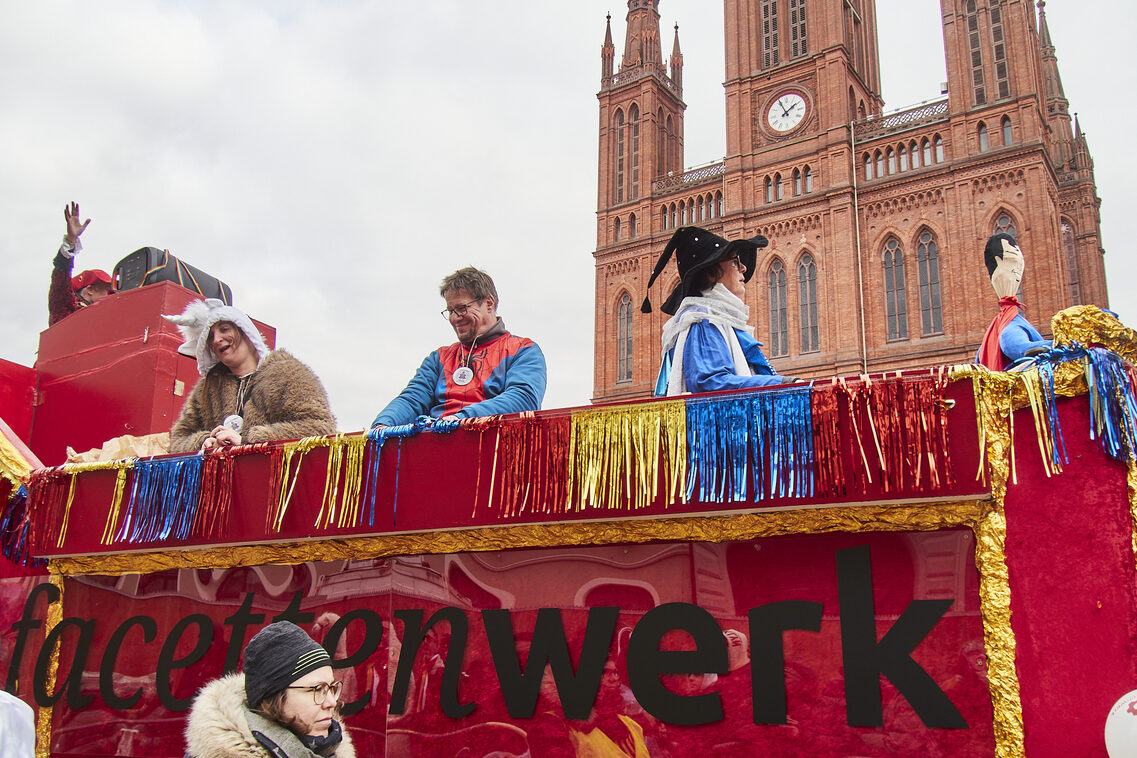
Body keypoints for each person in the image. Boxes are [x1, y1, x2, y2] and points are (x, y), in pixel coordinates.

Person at [371, 267, 546, 428]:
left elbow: (523, 398)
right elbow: (412, 399)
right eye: (450, 311)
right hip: (436, 443)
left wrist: (462, 418)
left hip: (493, 448)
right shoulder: (439, 357)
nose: (455, 318)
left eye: (462, 308)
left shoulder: (524, 349)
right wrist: (383, 424)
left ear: (489, 303)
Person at [165, 299, 336, 453]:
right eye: (210, 337)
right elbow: (178, 440)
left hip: (273, 483)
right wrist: (204, 441)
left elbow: (321, 428)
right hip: (221, 484)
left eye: (224, 329)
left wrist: (249, 442)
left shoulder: (288, 373)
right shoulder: (208, 387)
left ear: (245, 331)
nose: (216, 340)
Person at [642, 226, 795, 396]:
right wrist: (782, 384)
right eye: (735, 261)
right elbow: (710, 384)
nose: (743, 268)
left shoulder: (716, 318)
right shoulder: (702, 320)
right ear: (710, 273)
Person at [185, 620, 355, 757]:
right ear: (273, 697)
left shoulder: (332, 750)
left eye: (332, 688)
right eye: (317, 689)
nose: (332, 702)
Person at [975, 232, 1051, 370]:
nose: (1018, 267)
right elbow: (1016, 347)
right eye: (1012, 259)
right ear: (997, 262)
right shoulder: (1008, 326)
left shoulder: (993, 334)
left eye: (1020, 261)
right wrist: (1062, 343)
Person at [48, 201, 115, 325]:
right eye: (107, 291)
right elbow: (60, 281)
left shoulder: (104, 318)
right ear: (90, 290)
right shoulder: (66, 309)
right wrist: (71, 240)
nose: (110, 296)